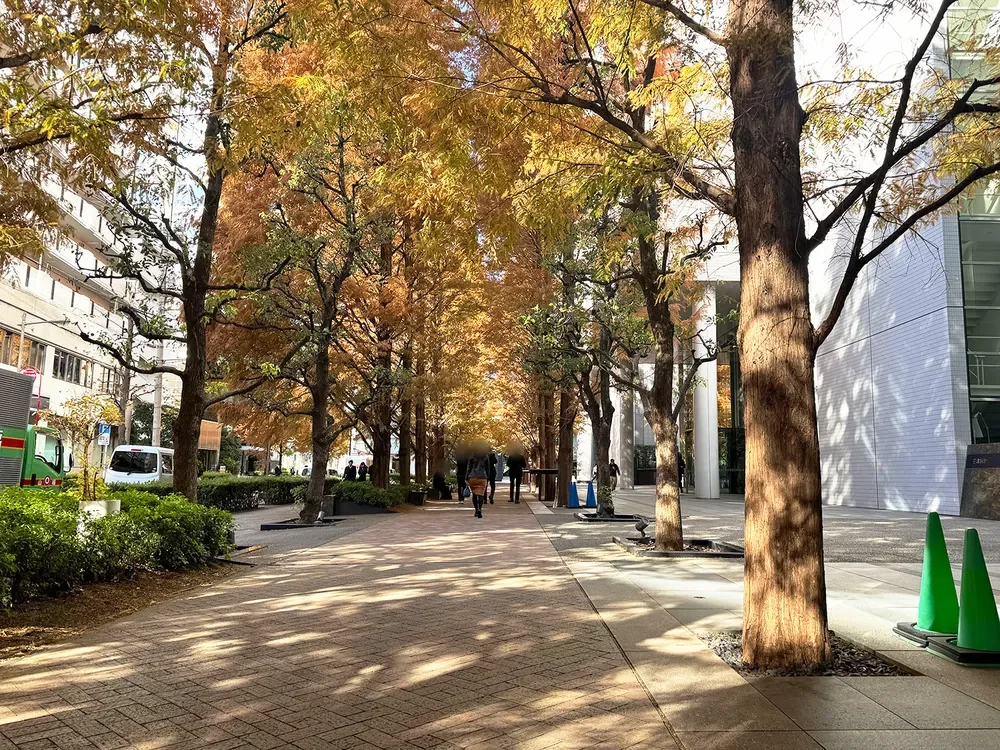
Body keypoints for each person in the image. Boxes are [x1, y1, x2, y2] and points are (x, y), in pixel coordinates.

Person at [466, 439, 491, 519]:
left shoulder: (472, 456)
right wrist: (488, 477)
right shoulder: (485, 456)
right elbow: (488, 468)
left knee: (474, 494)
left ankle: (476, 510)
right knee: (481, 494)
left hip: (472, 477)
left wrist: (466, 477)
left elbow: (469, 468)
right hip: (482, 477)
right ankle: (480, 508)